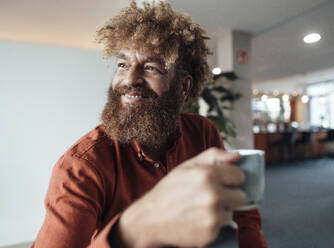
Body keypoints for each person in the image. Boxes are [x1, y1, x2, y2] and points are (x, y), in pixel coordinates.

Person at [32, 1, 267, 247]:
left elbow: (243, 208)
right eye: (122, 65)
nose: (129, 79)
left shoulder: (203, 132)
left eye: (151, 67)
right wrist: (130, 231)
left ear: (184, 87)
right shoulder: (82, 166)